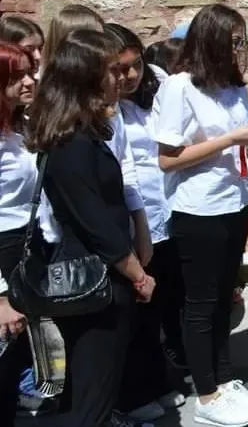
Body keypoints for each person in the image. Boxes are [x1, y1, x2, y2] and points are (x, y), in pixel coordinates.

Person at [26, 29, 157, 427]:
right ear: (87, 77)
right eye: (112, 71)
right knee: (92, 399)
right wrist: (137, 275)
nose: (121, 78)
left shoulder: (86, 134)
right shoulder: (70, 144)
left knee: (99, 389)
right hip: (94, 283)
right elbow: (95, 223)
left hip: (106, 279)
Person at [155, 4, 248, 427]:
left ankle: (224, 381)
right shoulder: (180, 87)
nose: (240, 49)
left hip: (233, 202)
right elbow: (168, 159)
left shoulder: (234, 87)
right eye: (233, 41)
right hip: (197, 208)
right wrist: (230, 139)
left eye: (242, 41)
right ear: (211, 42)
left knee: (224, 298)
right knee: (200, 305)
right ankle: (205, 394)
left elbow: (236, 143)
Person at [105, 24, 186, 421]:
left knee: (163, 308)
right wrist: (140, 229)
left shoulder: (156, 86)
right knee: (137, 317)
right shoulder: (105, 109)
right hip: (134, 222)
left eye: (135, 65)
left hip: (166, 213)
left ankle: (158, 381)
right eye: (120, 69)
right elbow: (127, 173)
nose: (131, 75)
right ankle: (132, 394)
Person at [0, 41, 35, 424]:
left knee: (13, 359)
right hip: (3, 252)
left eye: (29, 72)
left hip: (22, 248)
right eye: (16, 76)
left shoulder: (19, 127)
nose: (29, 81)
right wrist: (1, 295)